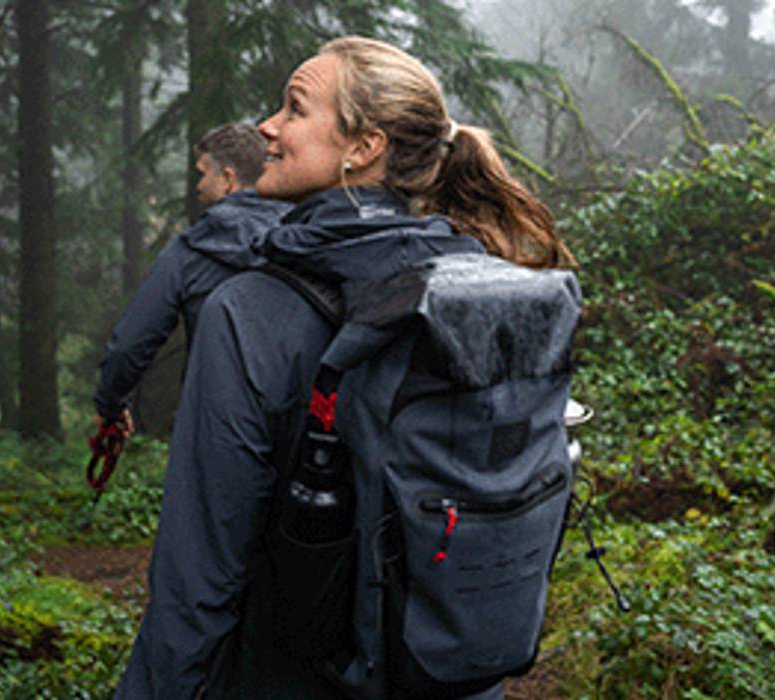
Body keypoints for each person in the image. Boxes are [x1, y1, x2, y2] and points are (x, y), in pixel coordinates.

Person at [114, 36, 574, 699]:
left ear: (364, 148)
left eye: (295, 109)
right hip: (452, 674)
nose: (267, 127)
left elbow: (198, 580)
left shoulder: (247, 311)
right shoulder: (483, 286)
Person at [92, 122, 292, 436]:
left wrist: (110, 406)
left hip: (217, 423)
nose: (197, 186)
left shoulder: (189, 251)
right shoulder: (306, 239)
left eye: (202, 173)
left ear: (227, 179)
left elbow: (130, 345)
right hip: (300, 422)